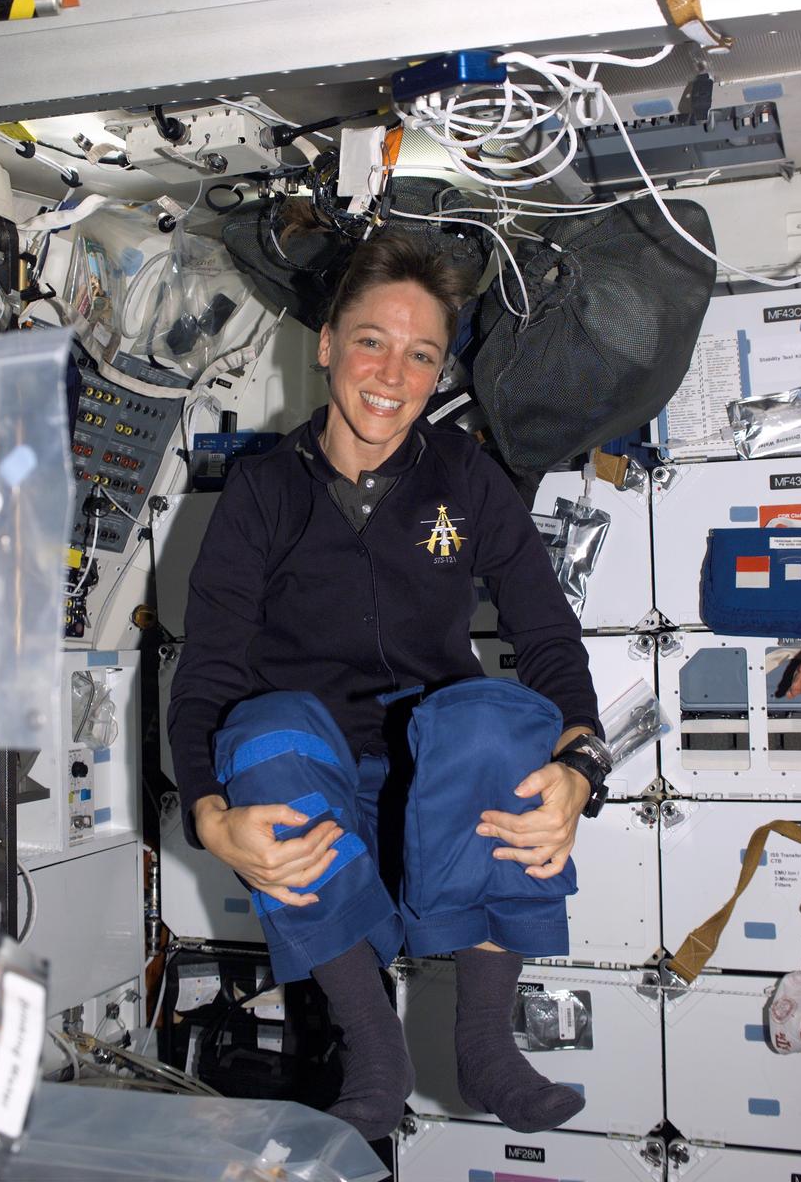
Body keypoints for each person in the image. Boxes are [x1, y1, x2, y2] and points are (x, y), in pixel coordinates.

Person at [168, 233, 609, 1140]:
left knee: (494, 717)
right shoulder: (259, 495)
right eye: (371, 341)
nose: (392, 373)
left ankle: (485, 1038)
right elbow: (205, 671)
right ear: (327, 343)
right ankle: (375, 1045)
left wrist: (581, 768)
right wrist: (209, 816)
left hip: (440, 789)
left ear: (440, 368)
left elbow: (548, 636)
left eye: (420, 354)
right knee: (264, 731)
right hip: (317, 782)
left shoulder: (468, 480)